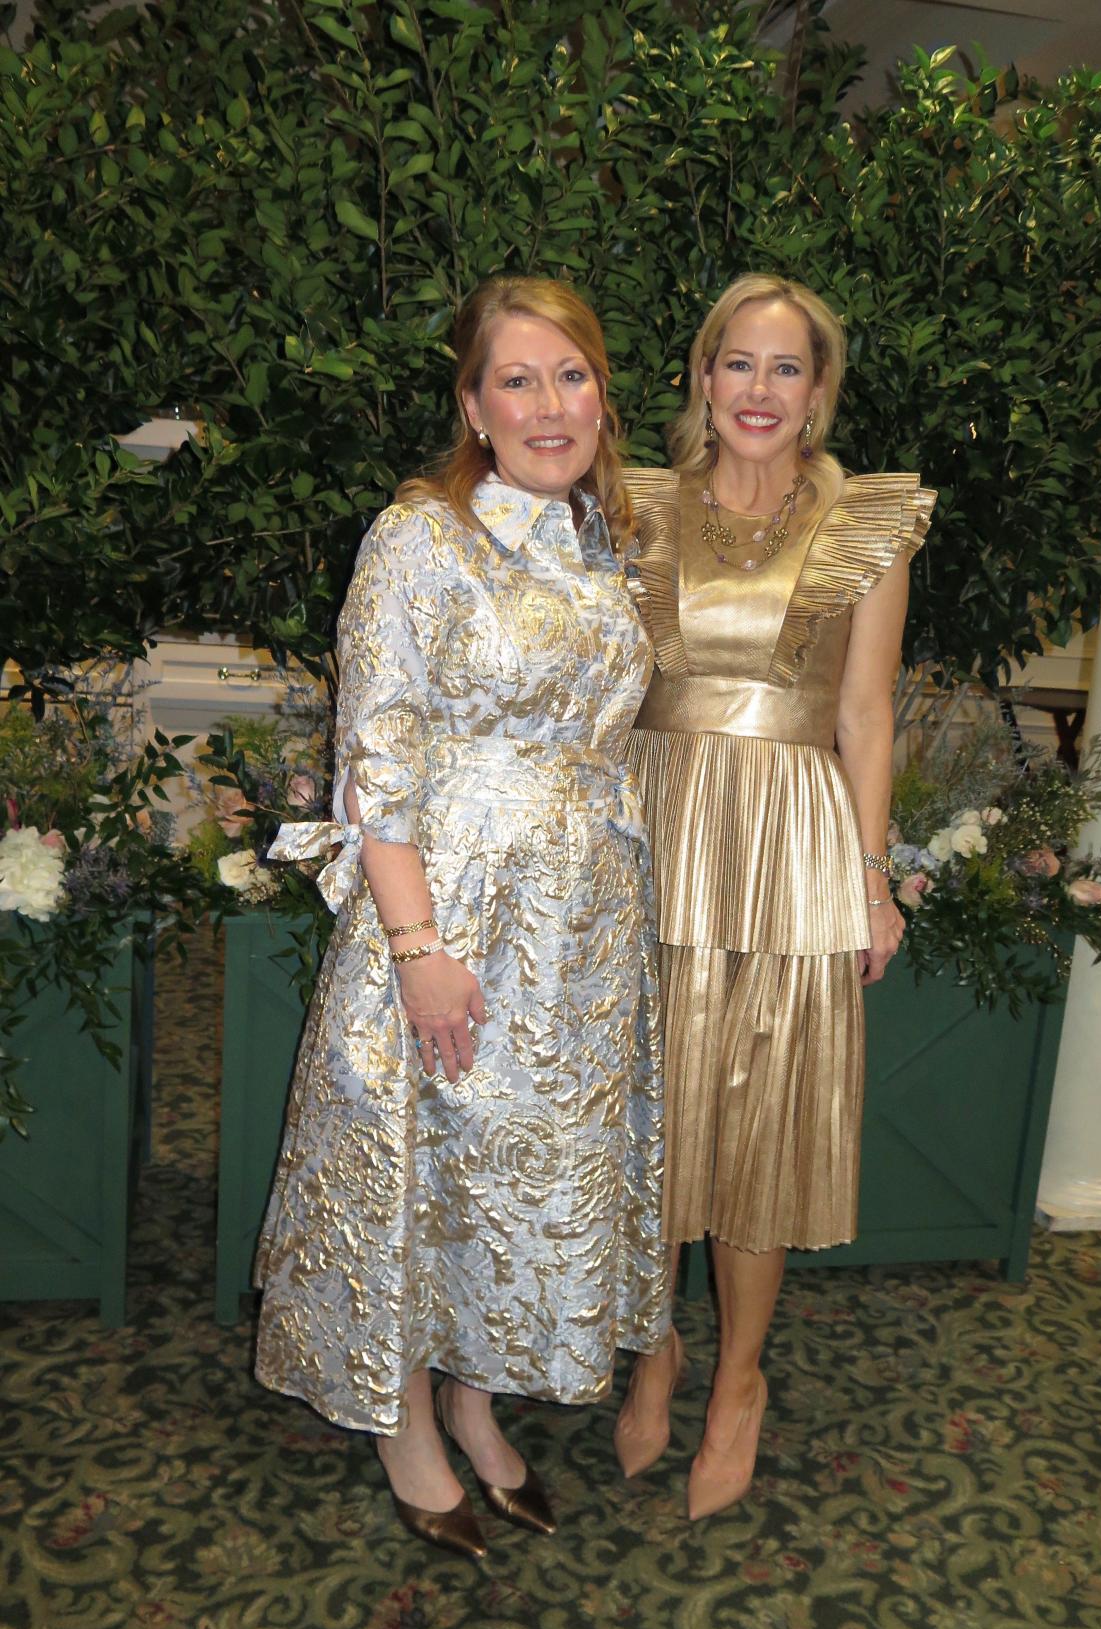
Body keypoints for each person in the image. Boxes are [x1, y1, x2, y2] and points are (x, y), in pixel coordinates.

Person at [254, 276, 671, 1561]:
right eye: (517, 380)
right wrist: (418, 951)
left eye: (572, 375)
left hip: (583, 927)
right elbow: (376, 760)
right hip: (451, 908)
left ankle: (478, 1403)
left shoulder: (610, 548)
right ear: (473, 407)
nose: (550, 405)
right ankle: (405, 1428)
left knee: (522, 1178)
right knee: (428, 1163)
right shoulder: (419, 538)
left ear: (603, 393)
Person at [614, 274, 935, 1519]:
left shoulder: (864, 525)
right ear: (702, 377)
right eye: (736, 364)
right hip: (650, 830)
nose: (758, 390)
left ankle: (739, 1378)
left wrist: (870, 878)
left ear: (818, 390)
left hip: (791, 840)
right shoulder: (634, 509)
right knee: (651, 1108)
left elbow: (864, 711)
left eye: (784, 368)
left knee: (753, 1124)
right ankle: (656, 1350)